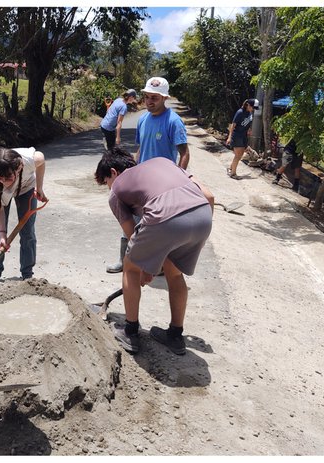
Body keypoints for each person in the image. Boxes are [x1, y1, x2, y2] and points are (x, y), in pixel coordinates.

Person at [95, 149, 214, 355]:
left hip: (165, 219)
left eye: (106, 181)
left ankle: (130, 331)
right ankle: (175, 335)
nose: (109, 187)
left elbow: (132, 236)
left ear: (113, 172)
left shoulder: (117, 192)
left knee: (130, 267)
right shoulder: (163, 162)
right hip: (203, 216)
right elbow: (209, 196)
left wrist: (145, 268)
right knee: (174, 274)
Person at [106, 77, 190, 274]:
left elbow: (184, 153)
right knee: (130, 219)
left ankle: (160, 266)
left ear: (164, 98)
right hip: (142, 180)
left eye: (155, 98)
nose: (149, 101)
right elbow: (141, 147)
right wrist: (133, 171)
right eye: (147, 97)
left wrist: (180, 179)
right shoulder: (143, 119)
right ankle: (125, 260)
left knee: (158, 226)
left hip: (162, 184)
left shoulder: (173, 121)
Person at [0, 147, 47, 284]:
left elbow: (41, 160)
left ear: (18, 169)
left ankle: (27, 275)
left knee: (28, 233)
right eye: (0, 177)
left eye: (8, 178)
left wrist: (39, 187)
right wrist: (3, 235)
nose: (4, 181)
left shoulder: (31, 160)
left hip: (26, 188)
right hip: (2, 195)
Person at [226, 98, 259, 179]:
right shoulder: (240, 112)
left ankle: (231, 168)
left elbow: (248, 123)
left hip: (244, 136)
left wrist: (249, 129)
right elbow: (233, 125)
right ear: (248, 105)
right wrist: (229, 137)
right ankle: (233, 174)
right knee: (238, 155)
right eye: (252, 107)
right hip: (237, 135)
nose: (253, 109)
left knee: (240, 154)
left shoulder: (249, 113)